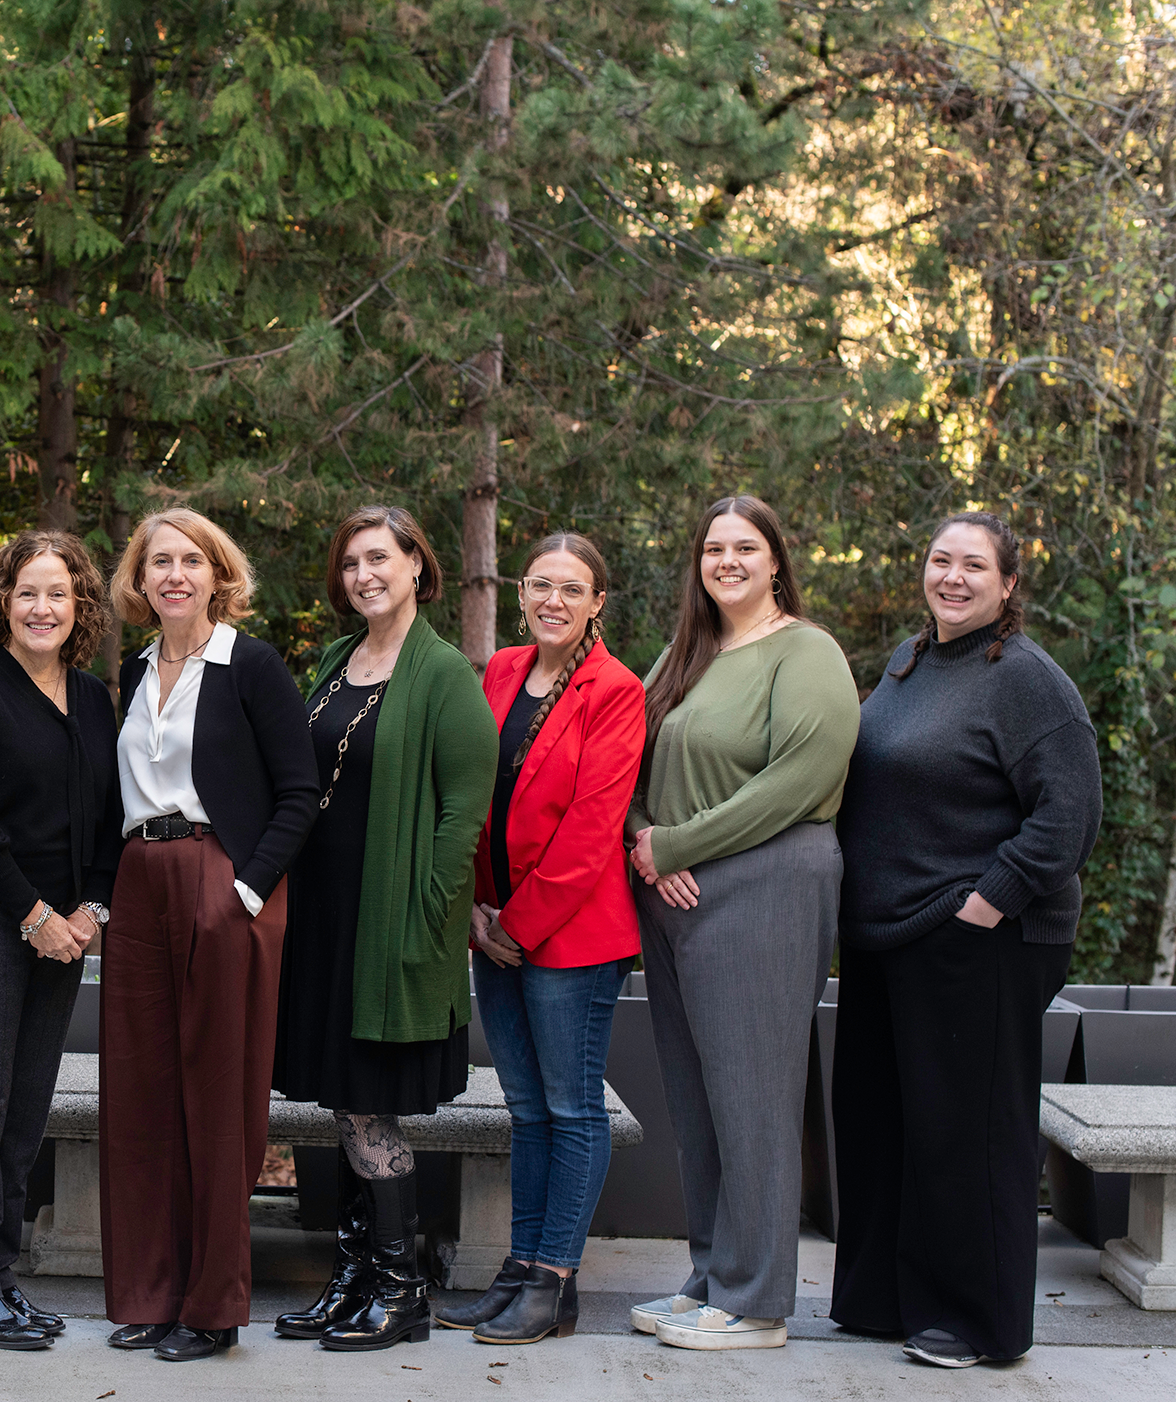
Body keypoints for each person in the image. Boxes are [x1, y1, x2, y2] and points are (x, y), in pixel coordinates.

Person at [830, 512, 1101, 1369]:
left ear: (1008, 583)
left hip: (977, 935)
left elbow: (1071, 814)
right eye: (940, 559)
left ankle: (977, 1323)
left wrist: (990, 901)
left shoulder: (1025, 679)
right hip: (886, 933)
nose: (953, 577)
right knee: (883, 1124)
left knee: (967, 1132)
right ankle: (883, 1301)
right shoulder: (909, 663)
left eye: (974, 565)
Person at [624, 495, 859, 1352]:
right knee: (698, 1101)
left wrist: (675, 842)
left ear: (775, 560)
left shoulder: (806, 651)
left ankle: (757, 1300)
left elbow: (803, 775)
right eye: (713, 548)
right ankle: (712, 1276)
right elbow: (629, 758)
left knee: (754, 1100)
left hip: (766, 886)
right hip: (675, 894)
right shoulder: (686, 654)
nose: (726, 561)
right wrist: (644, 840)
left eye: (745, 547)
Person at [272, 505, 495, 1353]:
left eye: (379, 559)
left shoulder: (444, 675)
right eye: (351, 564)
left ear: (416, 566)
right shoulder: (336, 660)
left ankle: (402, 1292)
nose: (364, 575)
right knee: (341, 1104)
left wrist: (428, 926)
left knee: (369, 1110)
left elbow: (460, 818)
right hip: (324, 920)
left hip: (391, 925)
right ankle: (354, 1277)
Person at [100, 511, 316, 1363]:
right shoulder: (132, 668)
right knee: (142, 1095)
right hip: (138, 880)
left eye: (192, 560)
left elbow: (299, 792)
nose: (176, 575)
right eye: (161, 562)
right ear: (141, 580)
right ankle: (151, 1294)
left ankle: (213, 1308)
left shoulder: (250, 666)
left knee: (220, 1102)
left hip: (224, 880)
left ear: (218, 574)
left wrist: (247, 890)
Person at [439, 533, 645, 1345]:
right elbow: (467, 789)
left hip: (570, 939)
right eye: (540, 586)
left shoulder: (615, 690)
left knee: (570, 1106)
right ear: (521, 592)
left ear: (598, 603)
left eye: (573, 589)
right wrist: (475, 916)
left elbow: (593, 830)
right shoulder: (499, 672)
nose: (553, 601)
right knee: (526, 1109)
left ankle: (556, 1278)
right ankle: (518, 1270)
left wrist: (514, 927)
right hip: (493, 929)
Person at [0, 530, 125, 1350]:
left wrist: (91, 911)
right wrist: (33, 912)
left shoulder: (94, 698)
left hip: (64, 933)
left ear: (80, 605)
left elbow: (114, 816)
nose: (43, 607)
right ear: (3, 601)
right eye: (27, 591)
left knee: (25, 1108)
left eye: (59, 593)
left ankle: (2, 1276)